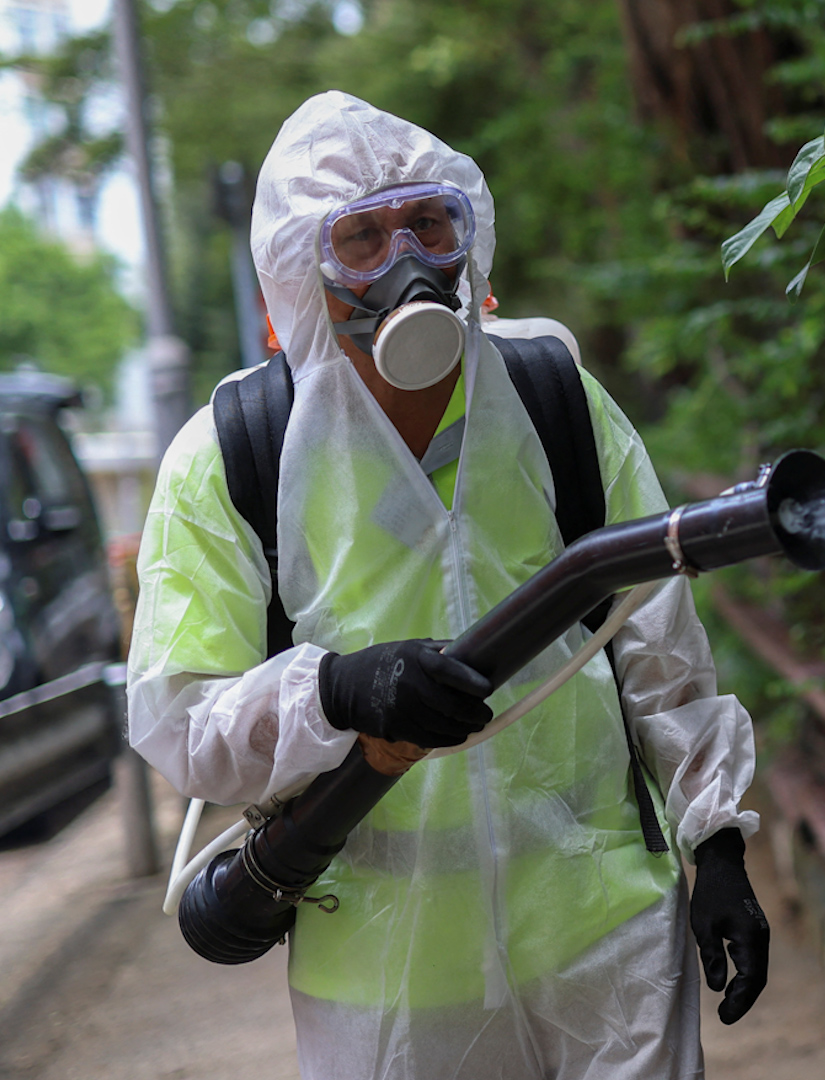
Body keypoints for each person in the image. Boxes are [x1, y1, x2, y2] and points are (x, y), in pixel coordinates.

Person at [127, 91, 767, 1079]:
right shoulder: (231, 458)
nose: (407, 262)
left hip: (607, 936)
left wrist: (715, 842)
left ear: (470, 235)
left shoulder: (552, 394)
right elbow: (183, 722)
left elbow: (656, 638)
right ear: (303, 274)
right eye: (362, 239)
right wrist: (337, 691)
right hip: (388, 981)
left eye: (430, 222)